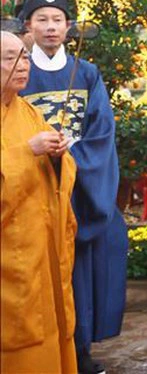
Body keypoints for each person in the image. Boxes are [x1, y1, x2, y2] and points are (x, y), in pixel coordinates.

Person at [18, 0, 127, 374]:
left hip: (77, 183)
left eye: (58, 20)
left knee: (83, 270)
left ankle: (79, 350)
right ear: (27, 26)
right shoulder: (17, 71)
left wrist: (72, 158)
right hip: (33, 183)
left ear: (69, 27)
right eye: (41, 20)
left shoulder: (89, 73)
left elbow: (102, 130)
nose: (50, 28)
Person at [1, 31, 78, 373]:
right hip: (9, 264)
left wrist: (58, 157)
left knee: (51, 334)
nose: (22, 65)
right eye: (10, 58)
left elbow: (59, 175)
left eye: (25, 56)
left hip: (42, 257)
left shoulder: (28, 112)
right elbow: (23, 159)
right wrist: (26, 153)